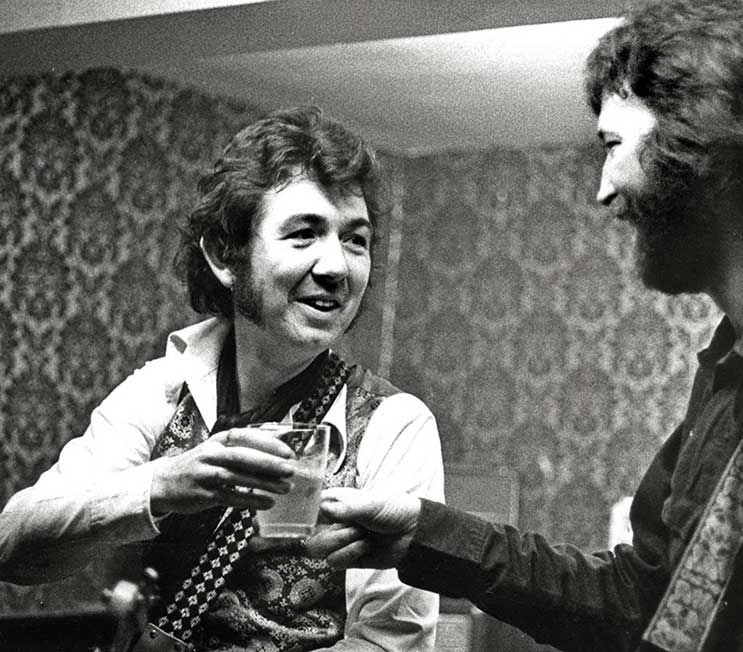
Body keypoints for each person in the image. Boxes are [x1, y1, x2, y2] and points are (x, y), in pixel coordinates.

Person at [303, 2, 743, 652]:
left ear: (716, 149)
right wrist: (425, 534)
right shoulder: (736, 362)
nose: (603, 189)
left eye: (615, 145)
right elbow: (640, 604)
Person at [0, 106, 444, 652]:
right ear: (223, 256)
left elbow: (390, 643)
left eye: (356, 240)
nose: (336, 267)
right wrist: (161, 486)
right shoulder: (162, 390)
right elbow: (13, 546)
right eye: (304, 234)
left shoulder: (393, 424)